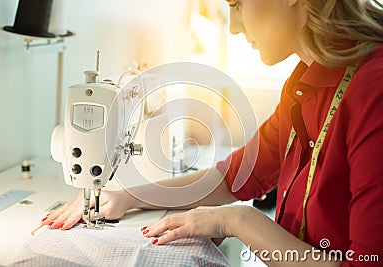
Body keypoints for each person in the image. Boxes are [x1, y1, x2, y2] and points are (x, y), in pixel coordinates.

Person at [42, 0, 383, 265]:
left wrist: (238, 221)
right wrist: (127, 196)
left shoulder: (374, 90)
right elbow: (234, 177)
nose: (233, 27)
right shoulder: (306, 81)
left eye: (237, 5)